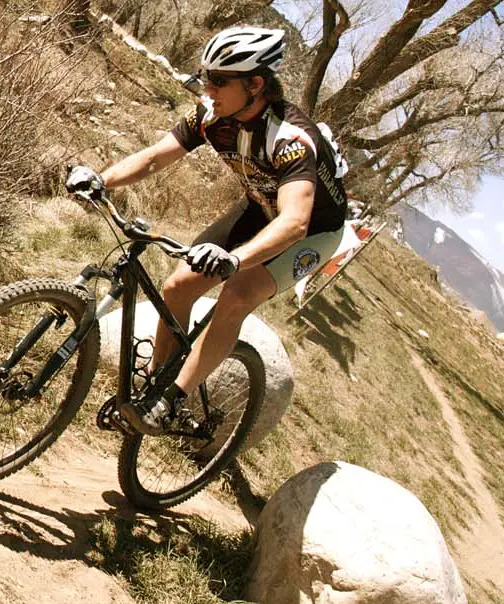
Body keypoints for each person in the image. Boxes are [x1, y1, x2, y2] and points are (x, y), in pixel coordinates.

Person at [65, 26, 349, 435]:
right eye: (204, 76)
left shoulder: (291, 140)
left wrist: (234, 260)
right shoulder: (212, 115)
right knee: (179, 286)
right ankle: (152, 384)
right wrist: (102, 180)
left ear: (255, 83)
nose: (207, 87)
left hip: (312, 232)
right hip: (259, 207)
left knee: (237, 293)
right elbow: (157, 156)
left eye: (218, 80)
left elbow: (294, 222)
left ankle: (171, 398)